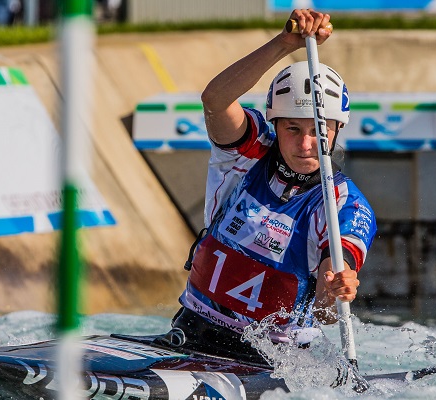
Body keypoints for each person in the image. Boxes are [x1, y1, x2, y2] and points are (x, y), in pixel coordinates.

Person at [159, 9, 377, 367]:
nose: (306, 144)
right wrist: (285, 43)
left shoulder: (345, 206)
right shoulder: (250, 150)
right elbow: (215, 101)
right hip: (192, 329)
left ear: (336, 130)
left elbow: (326, 310)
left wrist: (335, 291)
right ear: (275, 125)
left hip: (271, 359)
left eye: (318, 132)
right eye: (293, 129)